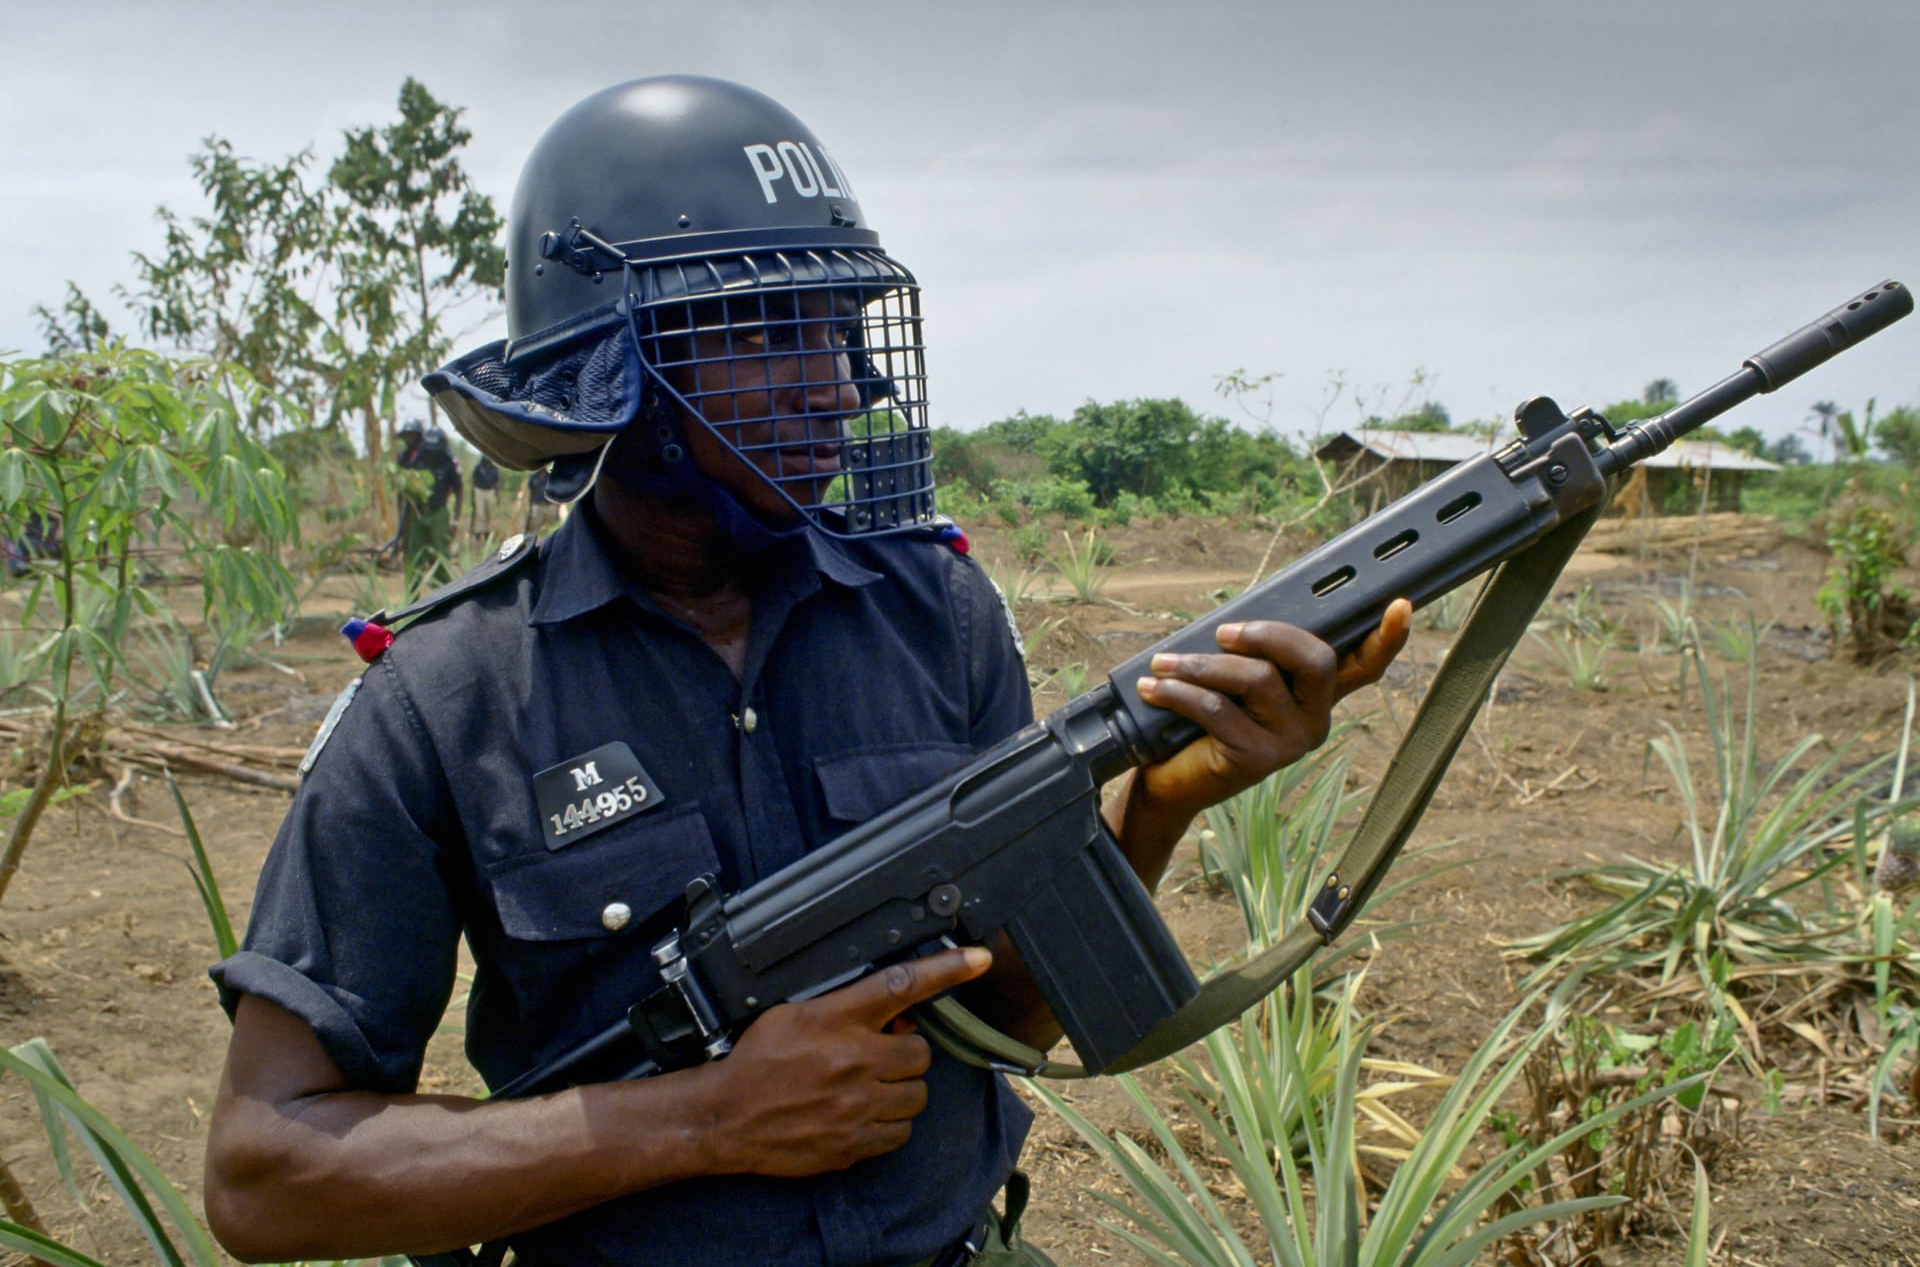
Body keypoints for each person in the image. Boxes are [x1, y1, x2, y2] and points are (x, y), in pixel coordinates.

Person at [202, 76, 1411, 1266]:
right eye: (770, 330)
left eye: (835, 328)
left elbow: (1004, 1014)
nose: (836, 385)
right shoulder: (444, 695)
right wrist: (700, 1120)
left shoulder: (936, 614)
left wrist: (1161, 802)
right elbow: (266, 1174)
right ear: (611, 362)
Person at [393, 420, 464, 591]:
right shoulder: (417, 461)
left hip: (438, 515)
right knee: (414, 558)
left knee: (440, 558)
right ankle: (412, 600)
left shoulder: (448, 464)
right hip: (417, 515)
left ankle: (445, 596)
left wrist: (455, 520)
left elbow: (459, 491)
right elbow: (404, 492)